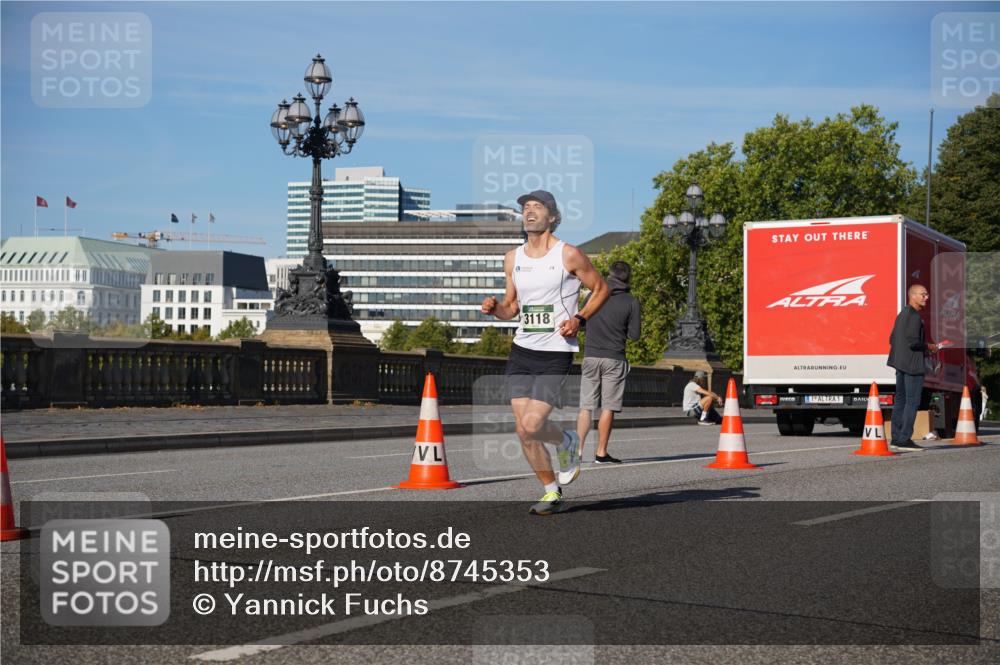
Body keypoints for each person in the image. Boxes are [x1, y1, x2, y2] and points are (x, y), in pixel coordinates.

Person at [481, 190, 609, 515]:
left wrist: (579, 319)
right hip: (522, 351)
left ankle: (566, 441)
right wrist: (496, 309)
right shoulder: (513, 258)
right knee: (523, 429)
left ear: (552, 216)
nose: (530, 212)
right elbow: (512, 308)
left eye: (538, 207)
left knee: (535, 423)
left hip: (555, 352)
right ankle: (551, 491)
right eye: (526, 207)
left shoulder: (568, 255)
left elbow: (601, 288)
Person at [574, 260, 642, 466]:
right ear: (628, 278)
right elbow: (635, 335)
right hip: (614, 358)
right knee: (608, 407)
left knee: (586, 407)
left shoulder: (593, 295)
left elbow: (581, 323)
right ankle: (601, 453)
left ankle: (578, 452)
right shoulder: (631, 301)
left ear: (609, 275)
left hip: (591, 355)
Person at [887, 284, 941, 451]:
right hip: (912, 366)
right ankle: (904, 439)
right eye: (923, 294)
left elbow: (891, 339)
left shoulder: (902, 314)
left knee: (900, 401)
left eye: (927, 294)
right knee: (912, 402)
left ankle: (896, 438)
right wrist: (929, 347)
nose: (926, 297)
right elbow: (913, 342)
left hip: (900, 364)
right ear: (913, 296)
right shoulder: (914, 316)